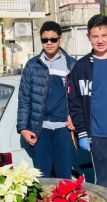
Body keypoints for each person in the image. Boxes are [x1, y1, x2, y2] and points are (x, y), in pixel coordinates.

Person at [68, 14, 107, 189]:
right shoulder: (82, 66)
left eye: (103, 35)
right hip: (99, 136)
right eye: (95, 36)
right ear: (88, 37)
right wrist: (82, 132)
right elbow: (75, 102)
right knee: (104, 184)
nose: (100, 40)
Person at [17, 21, 76, 178]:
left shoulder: (71, 65)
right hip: (40, 130)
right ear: (41, 40)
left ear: (60, 39)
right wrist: (23, 128)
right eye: (45, 40)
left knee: (64, 177)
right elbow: (24, 98)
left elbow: (78, 99)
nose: (49, 43)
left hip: (64, 130)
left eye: (53, 39)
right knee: (43, 178)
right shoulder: (32, 65)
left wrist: (75, 118)